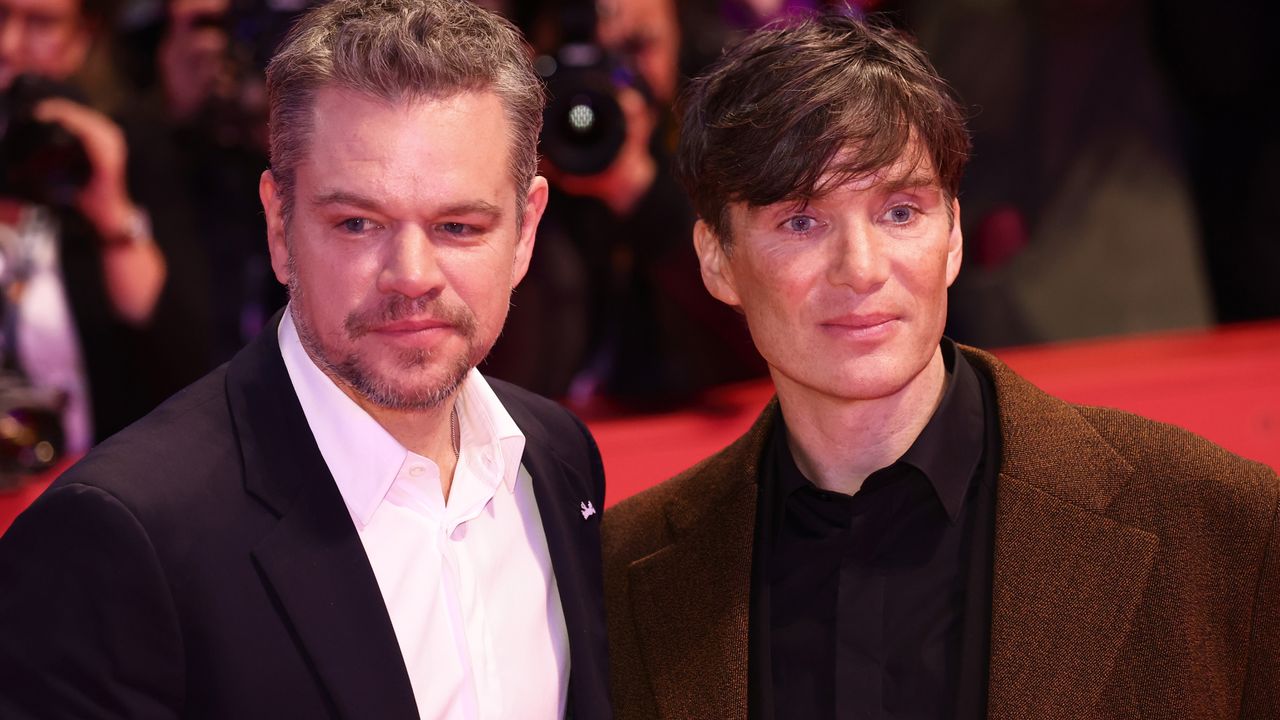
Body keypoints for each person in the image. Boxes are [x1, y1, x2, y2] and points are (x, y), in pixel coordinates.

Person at [602, 14, 1278, 720]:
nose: (860, 269)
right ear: (716, 260)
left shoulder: (1217, 525)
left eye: (899, 212)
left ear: (953, 235)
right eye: (801, 221)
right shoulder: (626, 572)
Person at [0, 0, 611, 717]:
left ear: (526, 230)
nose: (410, 273)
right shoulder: (121, 536)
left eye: (458, 225)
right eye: (357, 223)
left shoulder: (557, 456)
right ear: (280, 225)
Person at [0, 0, 209, 451]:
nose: (7, 45)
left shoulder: (127, 149)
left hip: (78, 475)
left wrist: (112, 213)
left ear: (83, 37)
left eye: (41, 23)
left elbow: (187, 368)